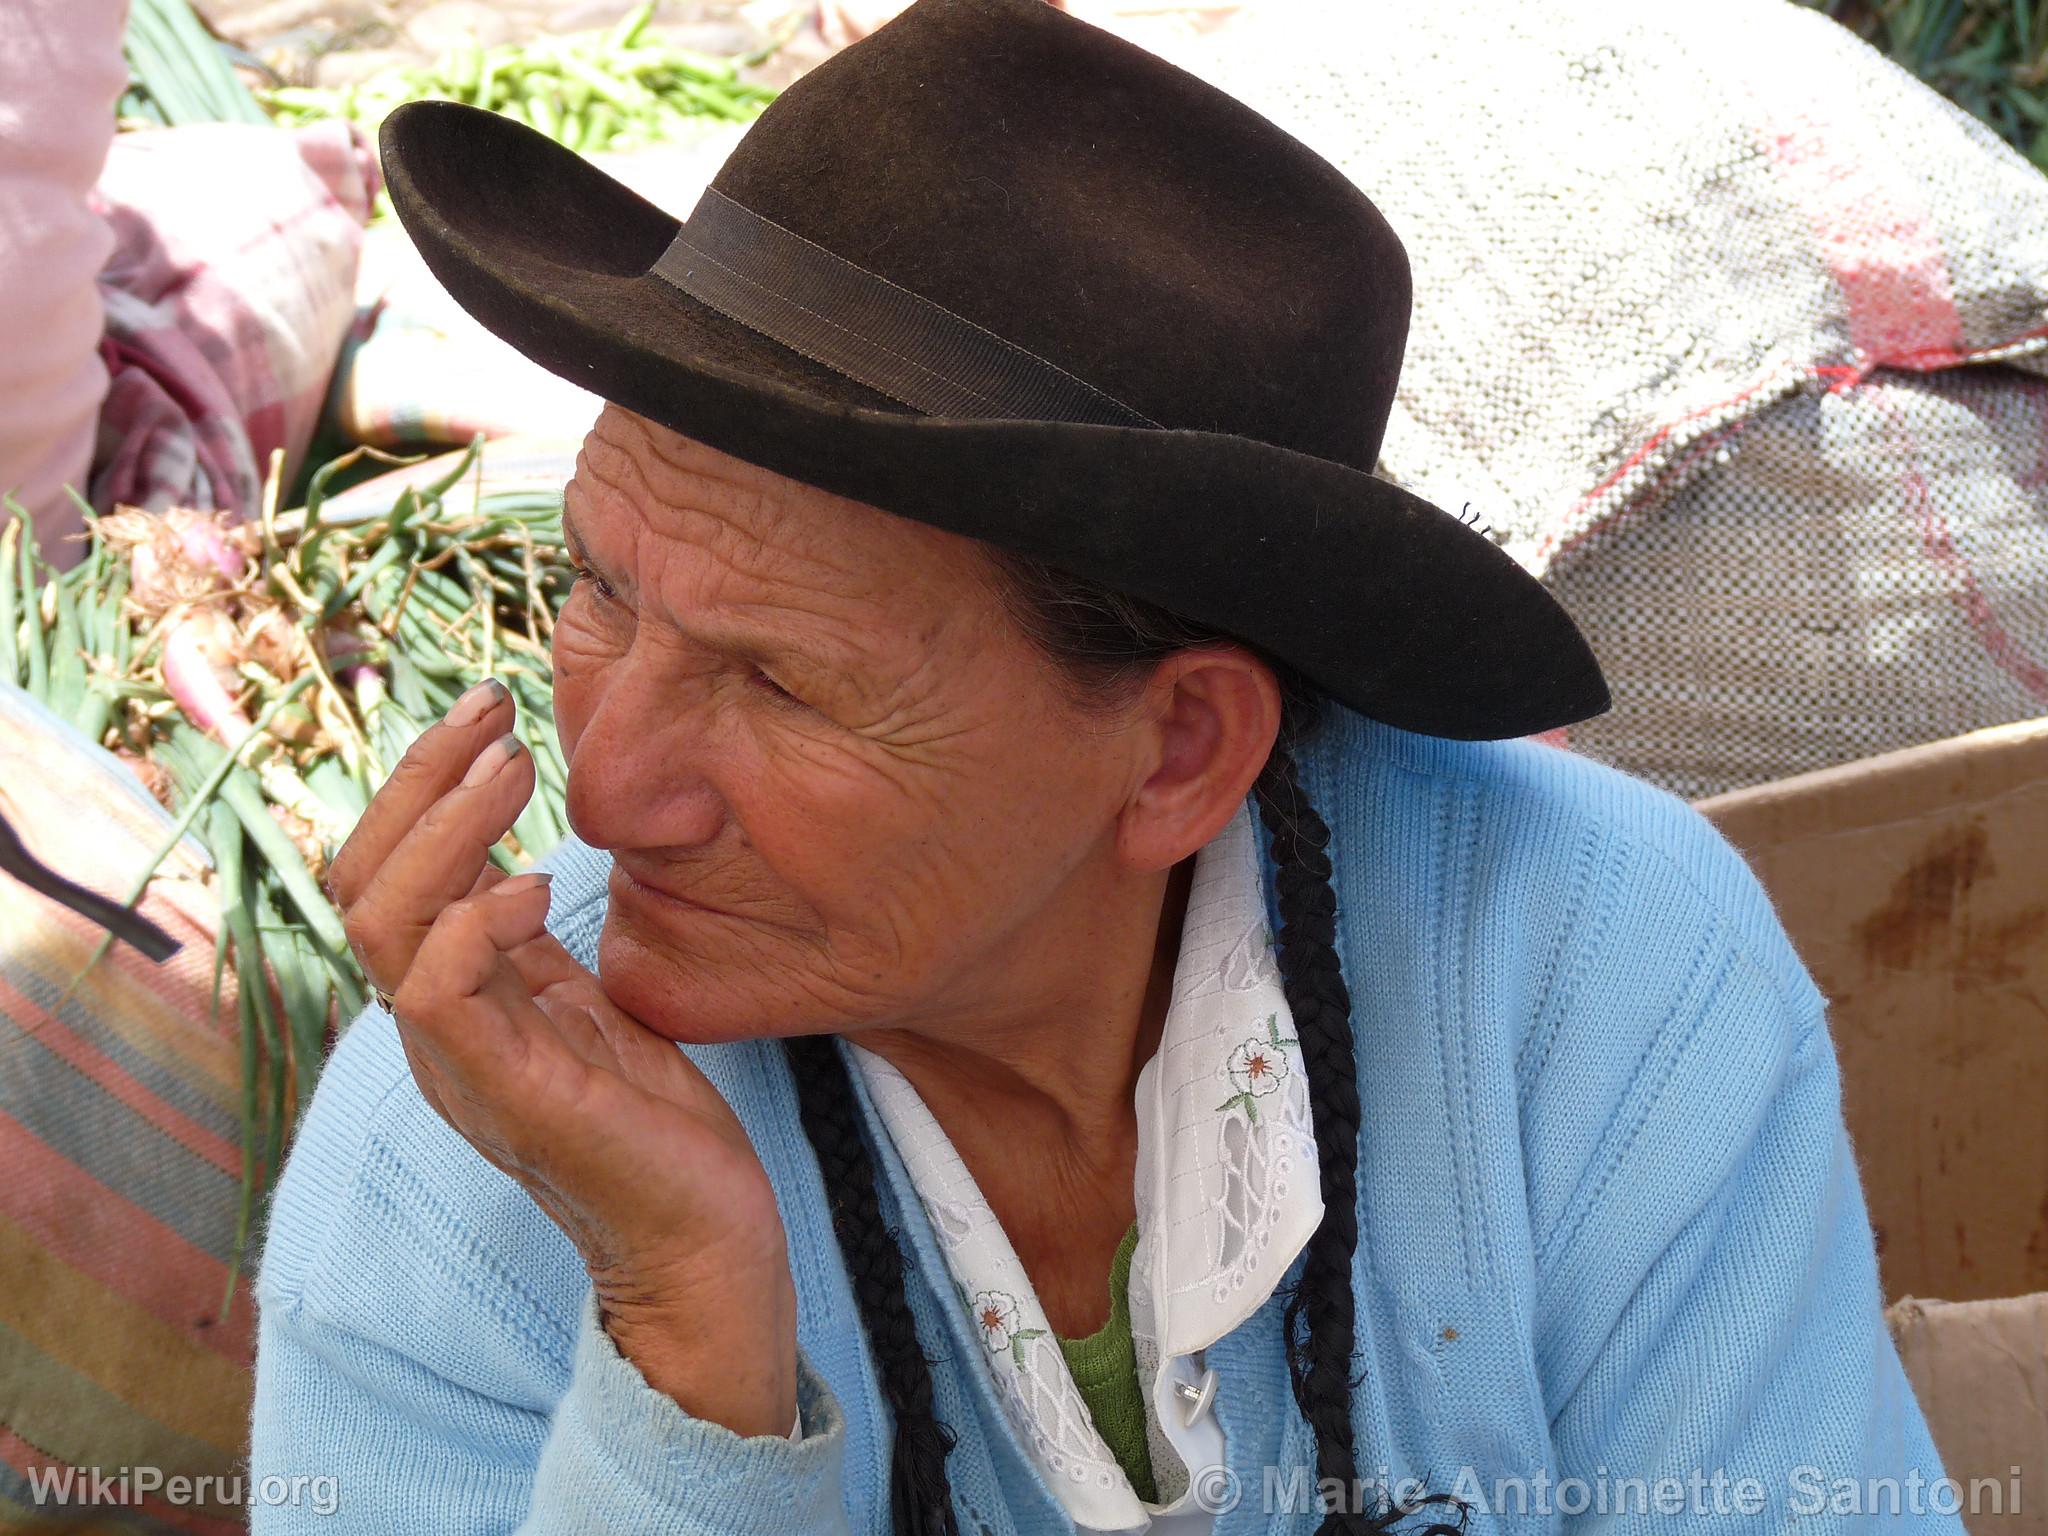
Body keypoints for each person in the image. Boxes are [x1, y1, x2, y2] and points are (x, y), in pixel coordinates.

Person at [248, 0, 1957, 1531]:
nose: (610, 793)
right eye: (601, 593)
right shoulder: (461, 1155)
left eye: (778, 685)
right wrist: (686, 1331)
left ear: (1180, 750)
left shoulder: (1593, 979)